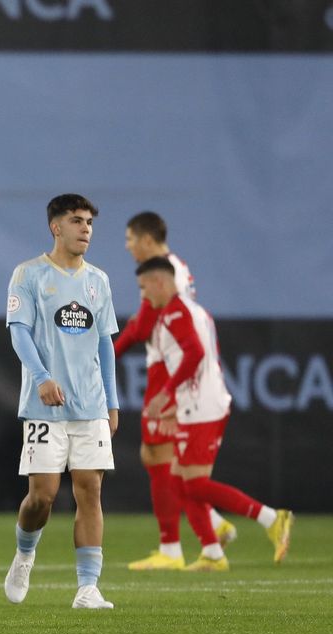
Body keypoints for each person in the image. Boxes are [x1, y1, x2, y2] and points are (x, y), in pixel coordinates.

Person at [135, 257, 292, 570]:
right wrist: (174, 407)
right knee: (180, 480)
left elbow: (195, 355)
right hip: (199, 403)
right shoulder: (197, 311)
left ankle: (272, 518)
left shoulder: (175, 313)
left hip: (201, 408)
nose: (143, 296)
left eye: (144, 287)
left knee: (191, 483)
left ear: (161, 282)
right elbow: (205, 362)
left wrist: (167, 396)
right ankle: (212, 553)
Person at [1, 195, 119, 610]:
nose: (85, 228)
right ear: (56, 227)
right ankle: (25, 553)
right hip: (45, 408)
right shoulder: (29, 275)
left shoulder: (98, 281)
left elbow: (105, 344)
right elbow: (19, 333)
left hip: (90, 405)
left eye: (89, 222)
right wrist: (42, 378)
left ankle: (88, 587)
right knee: (43, 496)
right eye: (76, 221)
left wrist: (113, 401)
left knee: (90, 491)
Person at [117, 212, 235, 570]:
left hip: (166, 365)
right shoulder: (176, 265)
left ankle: (175, 547)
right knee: (157, 456)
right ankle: (207, 526)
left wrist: (110, 350)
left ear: (147, 240)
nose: (127, 246)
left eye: (130, 238)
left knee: (161, 454)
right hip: (166, 363)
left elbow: (144, 325)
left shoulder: (162, 271)